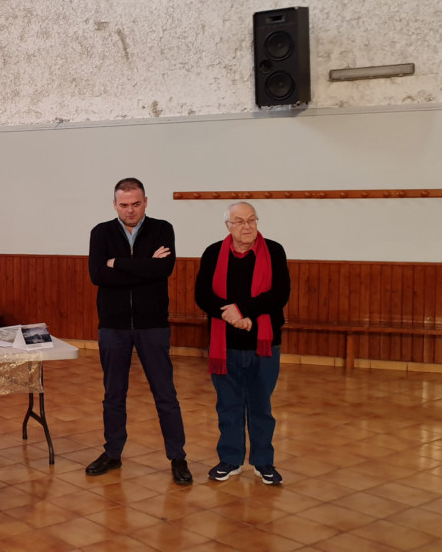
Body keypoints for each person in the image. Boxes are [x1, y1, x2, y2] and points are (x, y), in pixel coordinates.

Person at [86, 178, 192, 485]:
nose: (130, 210)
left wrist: (117, 263)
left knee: (165, 395)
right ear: (114, 204)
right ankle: (112, 453)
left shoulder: (162, 229)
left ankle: (178, 457)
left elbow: (163, 270)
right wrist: (145, 267)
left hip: (152, 326)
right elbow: (97, 275)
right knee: (113, 395)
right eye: (123, 205)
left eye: (136, 204)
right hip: (113, 326)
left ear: (145, 202)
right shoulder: (101, 232)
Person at [194, 202, 290, 485]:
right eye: (239, 221)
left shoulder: (274, 251)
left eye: (251, 220)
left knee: (261, 406)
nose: (247, 226)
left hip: (265, 344)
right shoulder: (213, 253)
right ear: (228, 226)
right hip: (225, 344)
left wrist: (242, 311)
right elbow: (203, 295)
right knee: (228, 405)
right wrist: (233, 317)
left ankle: (263, 462)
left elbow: (280, 294)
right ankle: (230, 459)